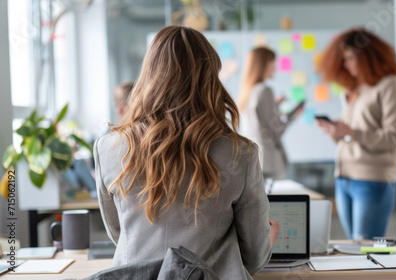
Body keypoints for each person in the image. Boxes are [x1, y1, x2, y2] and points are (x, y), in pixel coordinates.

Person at [94, 26, 279, 279]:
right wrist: (268, 238)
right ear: (210, 79)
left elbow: (120, 234)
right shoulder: (240, 153)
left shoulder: (108, 147)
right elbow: (254, 258)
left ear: (148, 74)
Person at [316, 28, 396, 240]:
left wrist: (351, 132)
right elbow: (351, 136)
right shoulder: (356, 89)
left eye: (350, 58)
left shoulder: (389, 86)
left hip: (372, 180)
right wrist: (336, 131)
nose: (346, 64)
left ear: (367, 56)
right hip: (344, 177)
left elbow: (393, 137)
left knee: (364, 248)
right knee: (355, 247)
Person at [238, 47, 301, 180]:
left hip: (252, 158)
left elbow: (258, 120)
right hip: (269, 162)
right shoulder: (265, 90)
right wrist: (293, 115)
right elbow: (276, 130)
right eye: (273, 62)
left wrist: (275, 105)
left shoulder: (248, 91)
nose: (275, 67)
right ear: (264, 64)